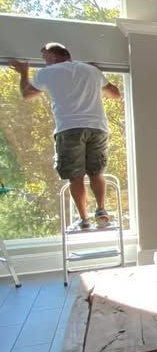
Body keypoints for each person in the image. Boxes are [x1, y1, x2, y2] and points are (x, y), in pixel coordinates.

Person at [6, 44, 121, 230]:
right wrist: (94, 80)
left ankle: (84, 220)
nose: (45, 62)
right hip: (97, 127)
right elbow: (115, 94)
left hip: (69, 128)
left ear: (52, 56)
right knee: (96, 172)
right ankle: (101, 212)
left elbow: (26, 94)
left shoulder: (48, 72)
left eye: (45, 58)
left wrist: (23, 72)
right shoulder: (91, 70)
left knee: (75, 176)